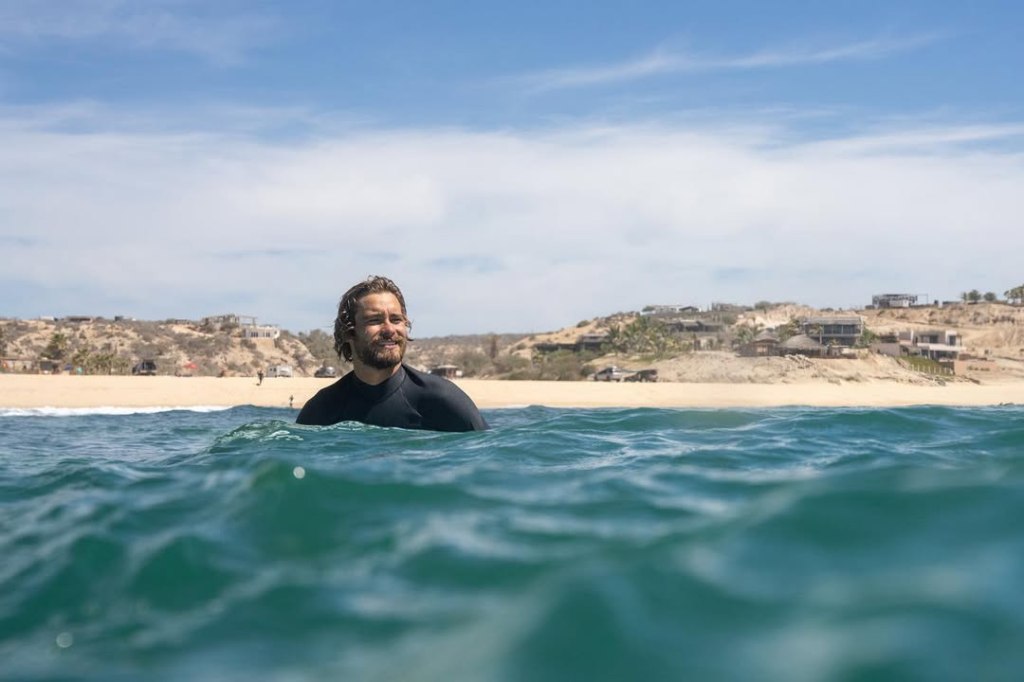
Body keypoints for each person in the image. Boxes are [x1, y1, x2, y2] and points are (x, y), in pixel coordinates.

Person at [296, 275, 488, 432]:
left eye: (396, 320)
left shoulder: (444, 402)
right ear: (349, 332)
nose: (389, 329)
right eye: (375, 320)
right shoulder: (322, 410)